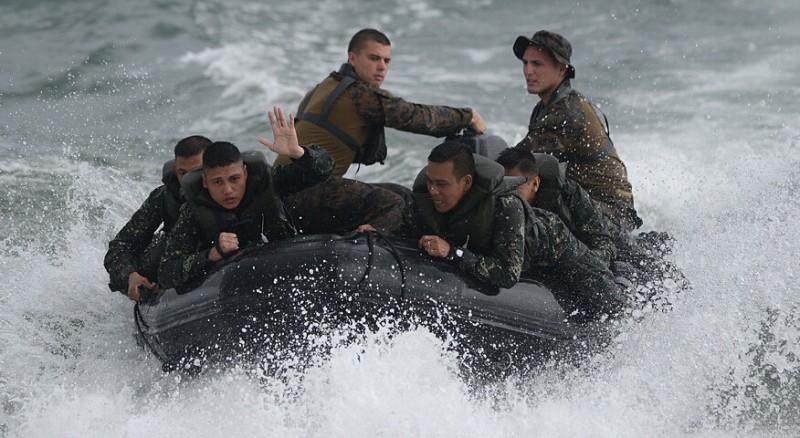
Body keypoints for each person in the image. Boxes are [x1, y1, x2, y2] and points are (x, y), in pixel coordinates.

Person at [158, 107, 334, 289]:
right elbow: (166, 272)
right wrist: (212, 254)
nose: (228, 190)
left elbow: (323, 170)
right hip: (229, 284)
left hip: (284, 260)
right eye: (217, 182)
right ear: (205, 182)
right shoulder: (193, 211)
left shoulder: (268, 182)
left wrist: (298, 153)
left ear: (245, 172)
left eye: (234, 179)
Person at [273, 28, 487, 178]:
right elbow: (418, 118)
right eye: (374, 58)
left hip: (283, 186)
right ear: (352, 58)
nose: (382, 67)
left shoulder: (324, 86)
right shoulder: (362, 96)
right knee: (398, 201)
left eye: (387, 61)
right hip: (308, 193)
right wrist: (468, 117)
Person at [512, 30, 642, 233]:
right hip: (590, 203)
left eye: (537, 64)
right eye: (525, 63)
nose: (528, 71)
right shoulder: (548, 106)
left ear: (562, 70)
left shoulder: (567, 112)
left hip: (612, 214)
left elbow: (516, 163)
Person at [390, 141, 525, 289]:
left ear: (466, 182)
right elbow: (403, 234)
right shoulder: (424, 196)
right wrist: (378, 234)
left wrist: (453, 252)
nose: (433, 190)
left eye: (441, 184)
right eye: (430, 182)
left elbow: (508, 274)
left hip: (544, 250)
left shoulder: (505, 205)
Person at [104, 135, 211, 301]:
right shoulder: (164, 197)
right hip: (172, 266)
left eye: (197, 172)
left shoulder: (233, 189)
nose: (190, 181)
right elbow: (119, 247)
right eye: (184, 173)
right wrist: (129, 276)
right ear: (176, 171)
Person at [496, 148, 617, 267]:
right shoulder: (497, 197)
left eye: (514, 186)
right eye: (503, 186)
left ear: (535, 184)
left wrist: (584, 264)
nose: (508, 193)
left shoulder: (569, 194)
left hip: (605, 237)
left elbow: (603, 241)